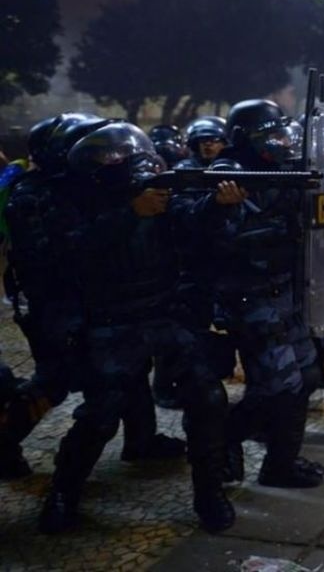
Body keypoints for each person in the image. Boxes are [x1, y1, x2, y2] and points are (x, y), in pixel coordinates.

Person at [38, 122, 236, 533]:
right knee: (101, 414)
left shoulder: (160, 197)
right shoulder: (75, 202)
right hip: (111, 321)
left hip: (163, 313)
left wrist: (217, 207)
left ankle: (209, 494)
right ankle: (62, 494)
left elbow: (192, 223)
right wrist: (128, 215)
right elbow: (69, 253)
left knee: (208, 396)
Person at [210, 99, 324, 487]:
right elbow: (227, 239)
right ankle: (224, 442)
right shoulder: (227, 174)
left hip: (284, 292)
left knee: (306, 375)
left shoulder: (278, 169)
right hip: (250, 296)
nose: (279, 142)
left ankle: (281, 461)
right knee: (277, 387)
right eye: (270, 135)